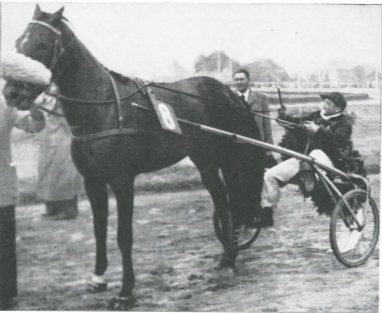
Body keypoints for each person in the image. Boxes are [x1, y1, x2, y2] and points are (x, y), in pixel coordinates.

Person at [255, 92, 352, 227]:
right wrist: (284, 117)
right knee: (270, 174)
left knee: (315, 152)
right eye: (324, 101)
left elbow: (339, 141)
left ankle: (309, 176)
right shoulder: (315, 116)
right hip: (305, 160)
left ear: (338, 109)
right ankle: (267, 212)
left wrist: (318, 131)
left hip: (330, 164)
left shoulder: (344, 123)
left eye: (328, 103)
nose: (323, 104)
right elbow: (296, 124)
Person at [0, 92, 45, 309]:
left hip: (1, 187)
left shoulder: (3, 106)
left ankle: (6, 294)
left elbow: (33, 125)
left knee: (4, 243)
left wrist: (35, 110)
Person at [35, 85, 83, 220]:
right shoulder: (42, 100)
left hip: (62, 141)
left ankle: (68, 210)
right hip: (47, 141)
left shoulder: (62, 102)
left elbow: (68, 122)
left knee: (63, 175)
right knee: (48, 175)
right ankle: (52, 208)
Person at [233, 69, 277, 167]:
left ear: (248, 80)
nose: (239, 82)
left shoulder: (261, 98)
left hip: (257, 143)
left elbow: (266, 123)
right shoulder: (229, 98)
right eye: (236, 80)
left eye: (242, 79)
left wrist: (268, 147)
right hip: (236, 144)